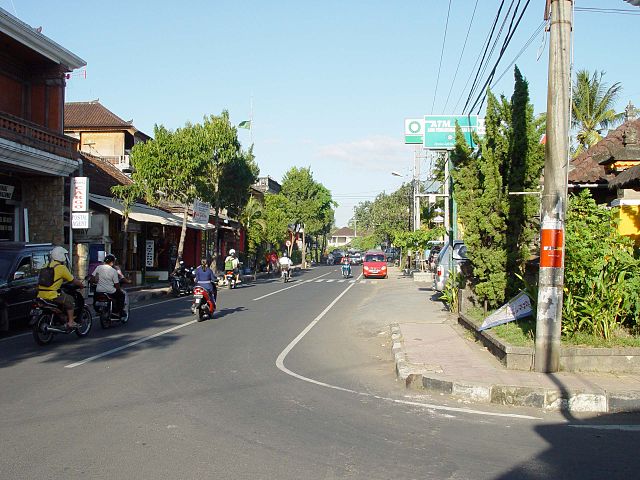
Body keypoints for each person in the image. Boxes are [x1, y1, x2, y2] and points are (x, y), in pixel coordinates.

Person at [37, 246, 84, 329]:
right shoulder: (61, 268)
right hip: (52, 295)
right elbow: (73, 280)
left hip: (40, 294)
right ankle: (71, 322)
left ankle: (60, 317)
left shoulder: (45, 265)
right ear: (61, 256)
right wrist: (81, 285)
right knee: (70, 300)